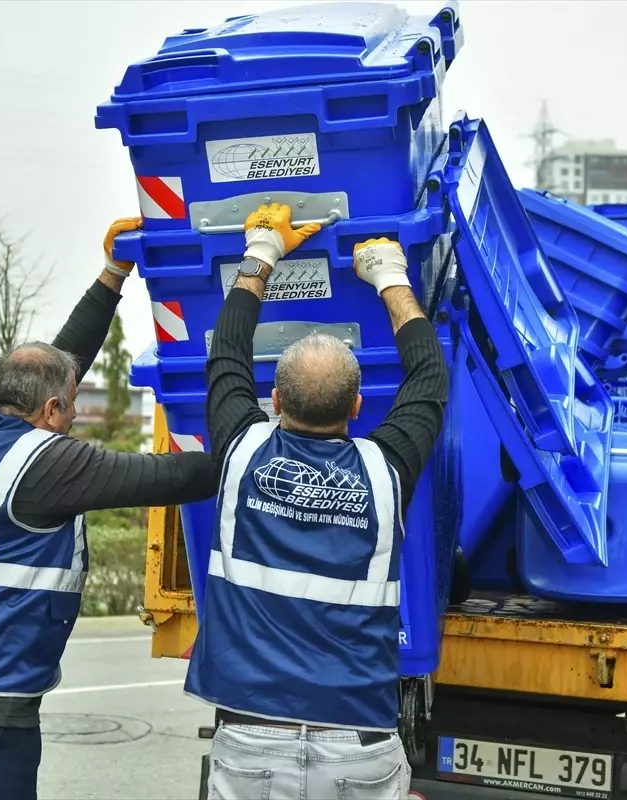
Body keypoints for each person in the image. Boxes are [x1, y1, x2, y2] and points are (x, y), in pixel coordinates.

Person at [0, 217, 219, 800]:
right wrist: (277, 447)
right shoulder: (46, 466)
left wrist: (113, 275)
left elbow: (61, 362)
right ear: (51, 411)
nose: (73, 419)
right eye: (69, 409)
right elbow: (172, 476)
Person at [185, 203, 450, 800]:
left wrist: (262, 252)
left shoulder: (242, 450)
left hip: (251, 739)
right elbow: (429, 376)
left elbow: (225, 352)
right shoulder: (386, 472)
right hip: (359, 748)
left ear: (274, 400)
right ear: (358, 409)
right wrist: (388, 276)